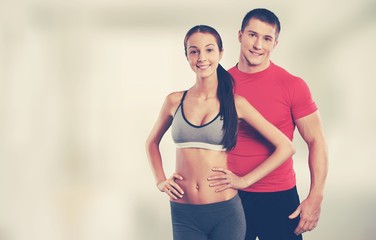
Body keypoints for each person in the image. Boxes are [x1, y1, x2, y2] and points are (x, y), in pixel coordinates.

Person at [145, 25, 295, 240]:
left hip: (225, 212)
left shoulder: (236, 104)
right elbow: (151, 143)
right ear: (187, 56)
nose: (201, 57)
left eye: (209, 50)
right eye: (194, 51)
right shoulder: (173, 101)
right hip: (183, 213)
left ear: (220, 53)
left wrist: (244, 181)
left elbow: (286, 147)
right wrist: (160, 181)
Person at [212, 8, 328, 240]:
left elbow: (316, 141)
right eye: (252, 35)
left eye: (266, 38)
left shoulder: (292, 85)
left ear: (275, 43)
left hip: (279, 198)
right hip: (230, 196)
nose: (258, 45)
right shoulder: (219, 84)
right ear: (240, 35)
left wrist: (315, 197)